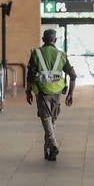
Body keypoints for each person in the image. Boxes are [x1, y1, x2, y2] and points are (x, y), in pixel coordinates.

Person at [27, 28, 76, 161]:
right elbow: (73, 76)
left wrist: (28, 91)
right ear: (55, 40)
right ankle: (49, 151)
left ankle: (52, 146)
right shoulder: (61, 55)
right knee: (51, 119)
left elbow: (30, 75)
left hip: (41, 92)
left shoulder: (36, 53)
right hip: (56, 92)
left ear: (43, 40)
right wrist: (70, 94)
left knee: (46, 119)